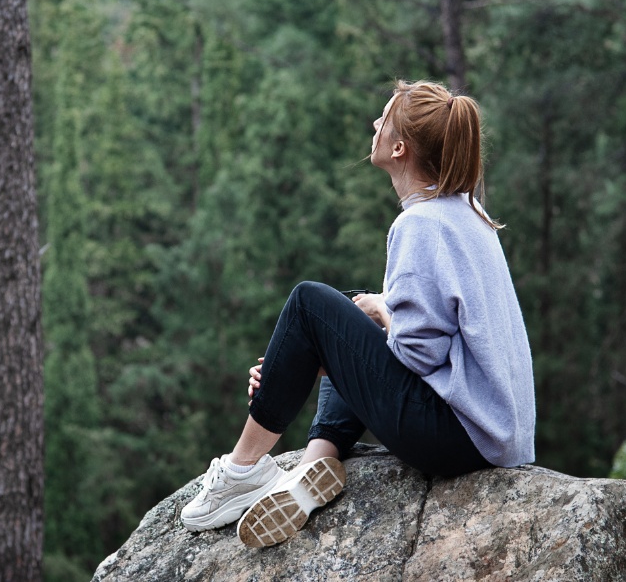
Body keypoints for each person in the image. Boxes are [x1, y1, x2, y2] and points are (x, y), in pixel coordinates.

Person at [179, 80, 536, 548]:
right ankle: (314, 466)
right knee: (349, 310)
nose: (374, 124)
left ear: (400, 146)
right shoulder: (467, 214)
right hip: (492, 433)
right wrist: (316, 357)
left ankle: (241, 471)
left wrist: (345, 336)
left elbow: (415, 352)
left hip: (456, 436)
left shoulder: (419, 225)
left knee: (312, 304)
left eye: (383, 118)